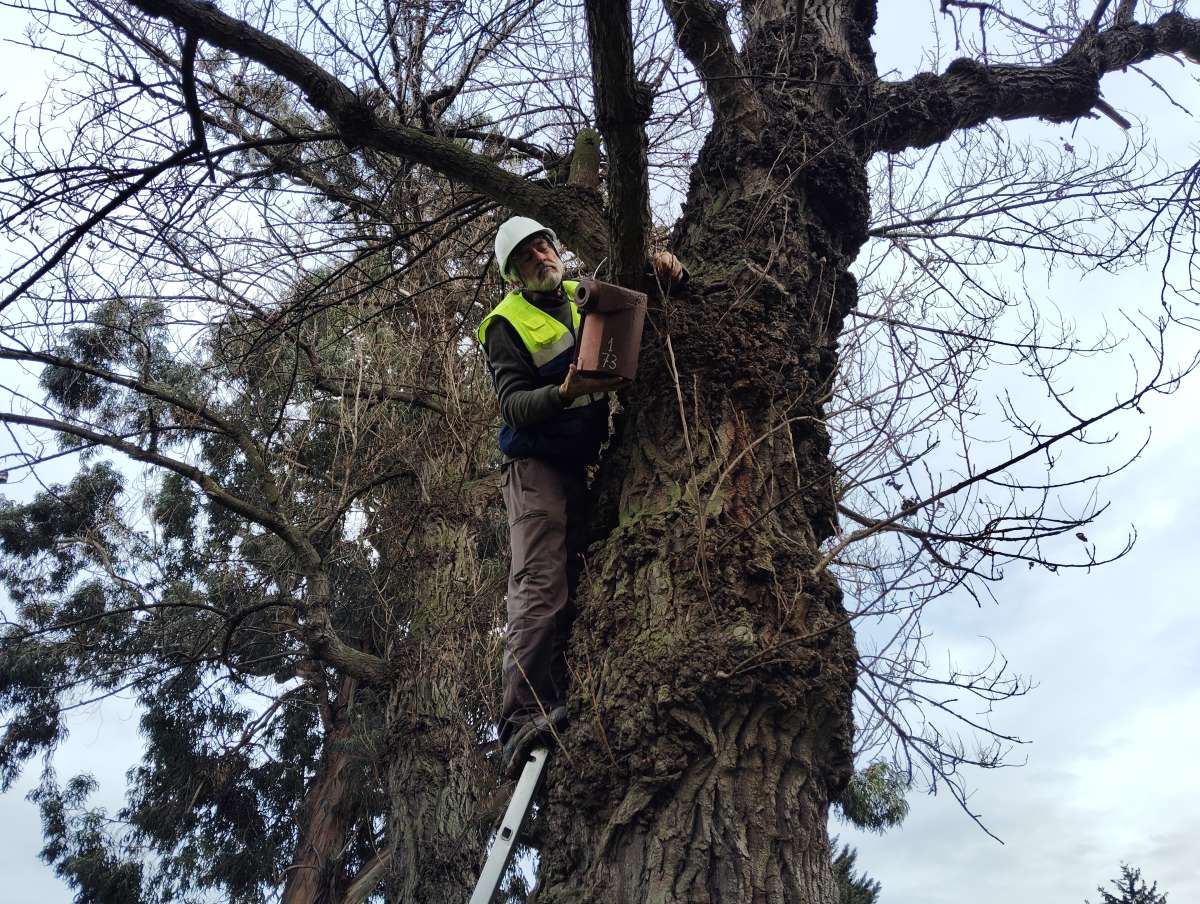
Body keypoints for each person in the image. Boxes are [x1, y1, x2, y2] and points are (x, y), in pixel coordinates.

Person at [478, 216, 684, 777]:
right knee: (541, 579)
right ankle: (521, 716)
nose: (541, 255)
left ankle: (560, 690)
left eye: (544, 243)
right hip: (536, 465)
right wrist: (566, 390)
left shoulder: (581, 294)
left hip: (580, 465)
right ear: (513, 274)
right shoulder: (505, 323)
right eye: (526, 255)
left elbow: (631, 295)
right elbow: (514, 405)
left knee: (582, 576)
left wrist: (661, 267)